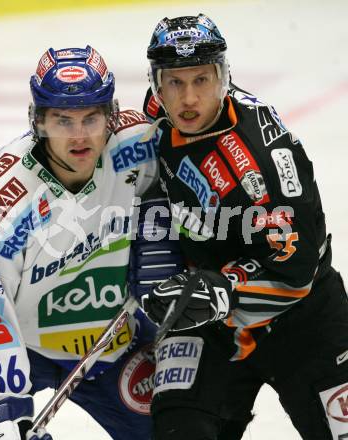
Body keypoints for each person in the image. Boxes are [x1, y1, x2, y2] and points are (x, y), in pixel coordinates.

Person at [0, 45, 183, 440]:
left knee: (183, 424)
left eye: (92, 117)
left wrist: (158, 239)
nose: (79, 136)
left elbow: (184, 187)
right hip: (0, 331)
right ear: (38, 120)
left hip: (108, 336)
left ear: (112, 115)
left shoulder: (137, 146)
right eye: (62, 120)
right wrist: (0, 412)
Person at [140, 13, 348, 440]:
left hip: (303, 321)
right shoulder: (158, 114)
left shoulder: (259, 164)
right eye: (175, 82)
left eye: (202, 80)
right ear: (157, 83)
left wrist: (224, 285)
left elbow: (295, 269)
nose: (189, 98)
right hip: (211, 325)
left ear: (223, 76)